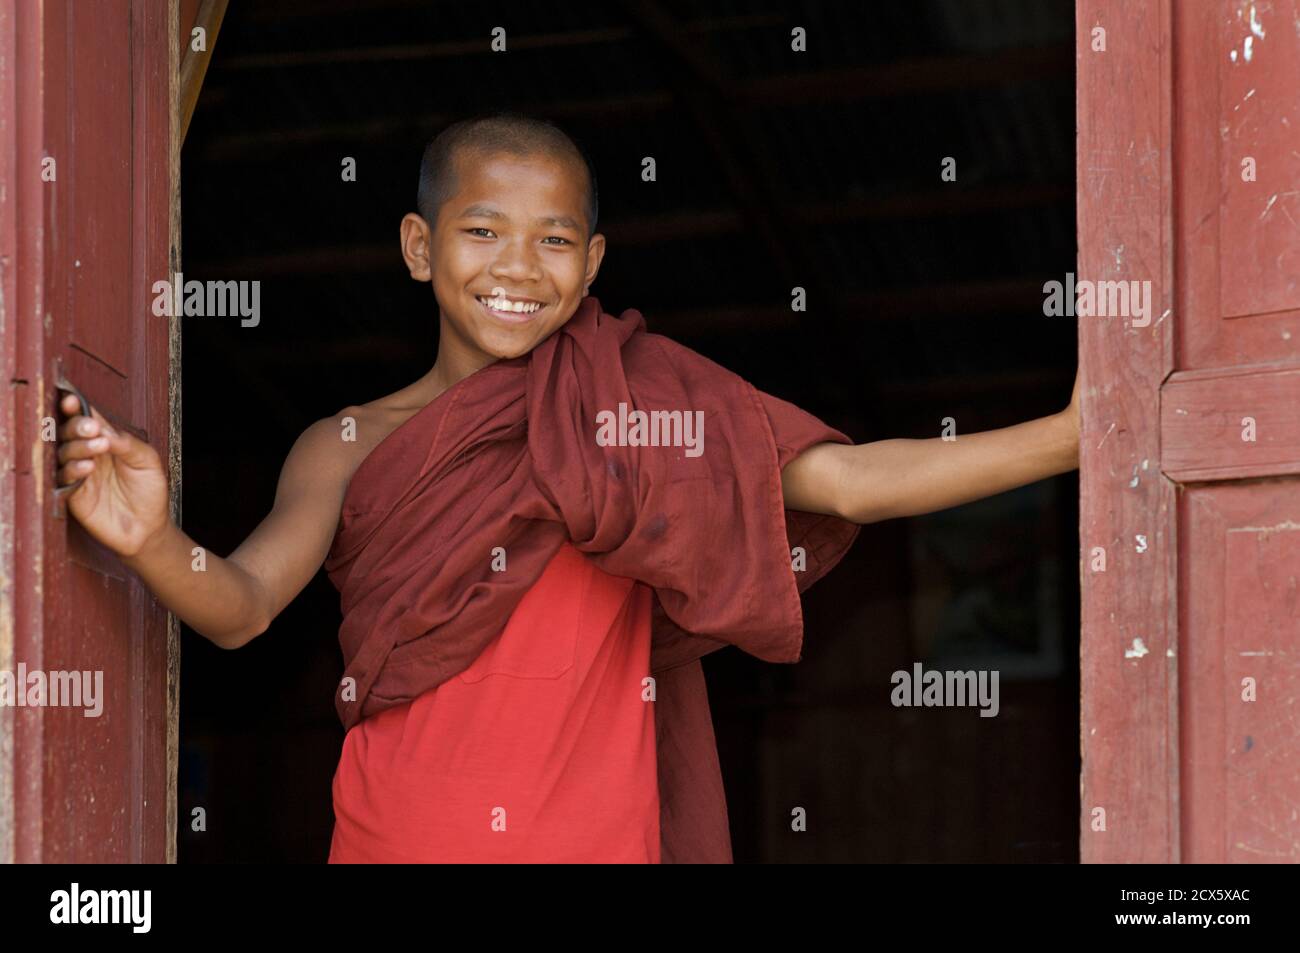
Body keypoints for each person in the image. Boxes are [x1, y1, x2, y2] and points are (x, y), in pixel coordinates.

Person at [55, 112, 1081, 863]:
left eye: (553, 239)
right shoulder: (348, 443)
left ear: (590, 265)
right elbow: (238, 608)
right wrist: (149, 540)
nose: (518, 265)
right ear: (420, 248)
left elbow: (848, 481)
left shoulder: (637, 408)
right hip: (400, 839)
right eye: (482, 230)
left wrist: (1069, 435)